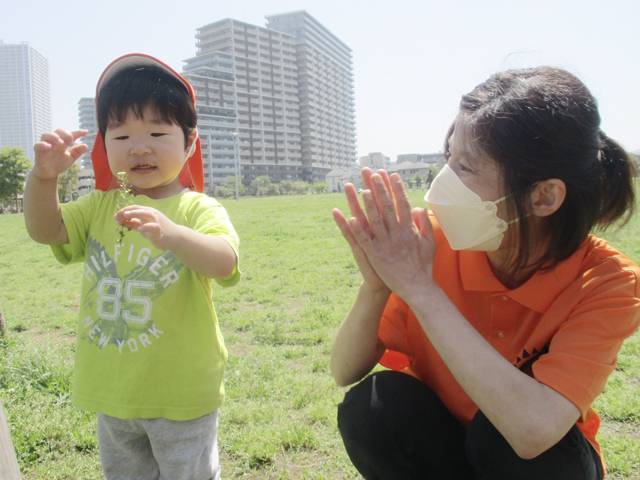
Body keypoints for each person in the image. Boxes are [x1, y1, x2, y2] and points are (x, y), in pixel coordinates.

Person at [330, 66, 639, 480]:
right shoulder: (430, 245)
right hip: (449, 448)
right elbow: (344, 371)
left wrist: (422, 291)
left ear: (543, 196)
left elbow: (534, 433)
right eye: (448, 159)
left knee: (510, 441)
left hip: (534, 458)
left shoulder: (607, 282)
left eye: (466, 167)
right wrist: (375, 287)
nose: (442, 184)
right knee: (373, 406)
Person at [23, 53, 240, 480]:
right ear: (104, 146)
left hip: (181, 393)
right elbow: (45, 230)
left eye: (158, 132)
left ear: (190, 142)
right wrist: (43, 180)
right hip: (114, 391)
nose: (139, 147)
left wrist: (172, 234)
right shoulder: (101, 205)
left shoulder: (197, 208)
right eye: (121, 137)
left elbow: (224, 260)